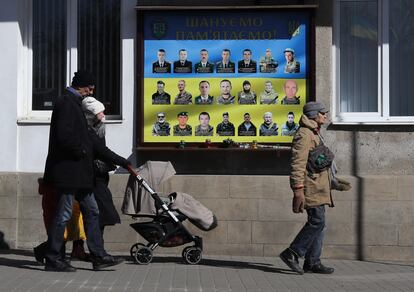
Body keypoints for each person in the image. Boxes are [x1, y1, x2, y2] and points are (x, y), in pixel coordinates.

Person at [42, 71, 131, 272]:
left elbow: (94, 143)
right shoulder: (66, 103)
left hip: (81, 175)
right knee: (64, 214)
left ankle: (98, 256)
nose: (90, 93)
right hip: (69, 172)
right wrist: (81, 151)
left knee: (92, 211)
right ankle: (53, 257)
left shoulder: (76, 105)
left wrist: (122, 161)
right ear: (80, 86)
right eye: (88, 88)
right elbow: (64, 136)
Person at [279, 101, 334, 275]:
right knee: (317, 222)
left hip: (319, 186)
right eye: (323, 113)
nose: (325, 116)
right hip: (311, 187)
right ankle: (292, 253)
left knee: (320, 224)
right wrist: (297, 190)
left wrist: (334, 182)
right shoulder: (304, 134)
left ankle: (312, 262)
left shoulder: (314, 133)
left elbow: (317, 162)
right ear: (314, 115)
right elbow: (298, 164)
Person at [81, 97, 123, 249]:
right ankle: (98, 252)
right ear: (92, 115)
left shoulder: (99, 127)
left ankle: (97, 251)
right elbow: (101, 151)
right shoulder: (87, 131)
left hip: (100, 174)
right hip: (92, 176)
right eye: (101, 112)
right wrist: (123, 161)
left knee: (98, 213)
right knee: (98, 212)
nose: (104, 114)